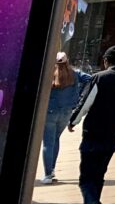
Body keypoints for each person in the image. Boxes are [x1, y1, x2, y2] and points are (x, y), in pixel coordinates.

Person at [68, 46, 115, 204]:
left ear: (106, 60)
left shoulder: (99, 77)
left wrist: (74, 120)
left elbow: (85, 103)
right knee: (99, 174)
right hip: (113, 134)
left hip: (93, 132)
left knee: (86, 177)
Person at [40, 52, 91, 184]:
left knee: (48, 142)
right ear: (67, 61)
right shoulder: (75, 73)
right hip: (67, 111)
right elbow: (90, 79)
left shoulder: (49, 73)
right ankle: (51, 171)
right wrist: (79, 96)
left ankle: (47, 174)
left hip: (50, 111)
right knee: (55, 139)